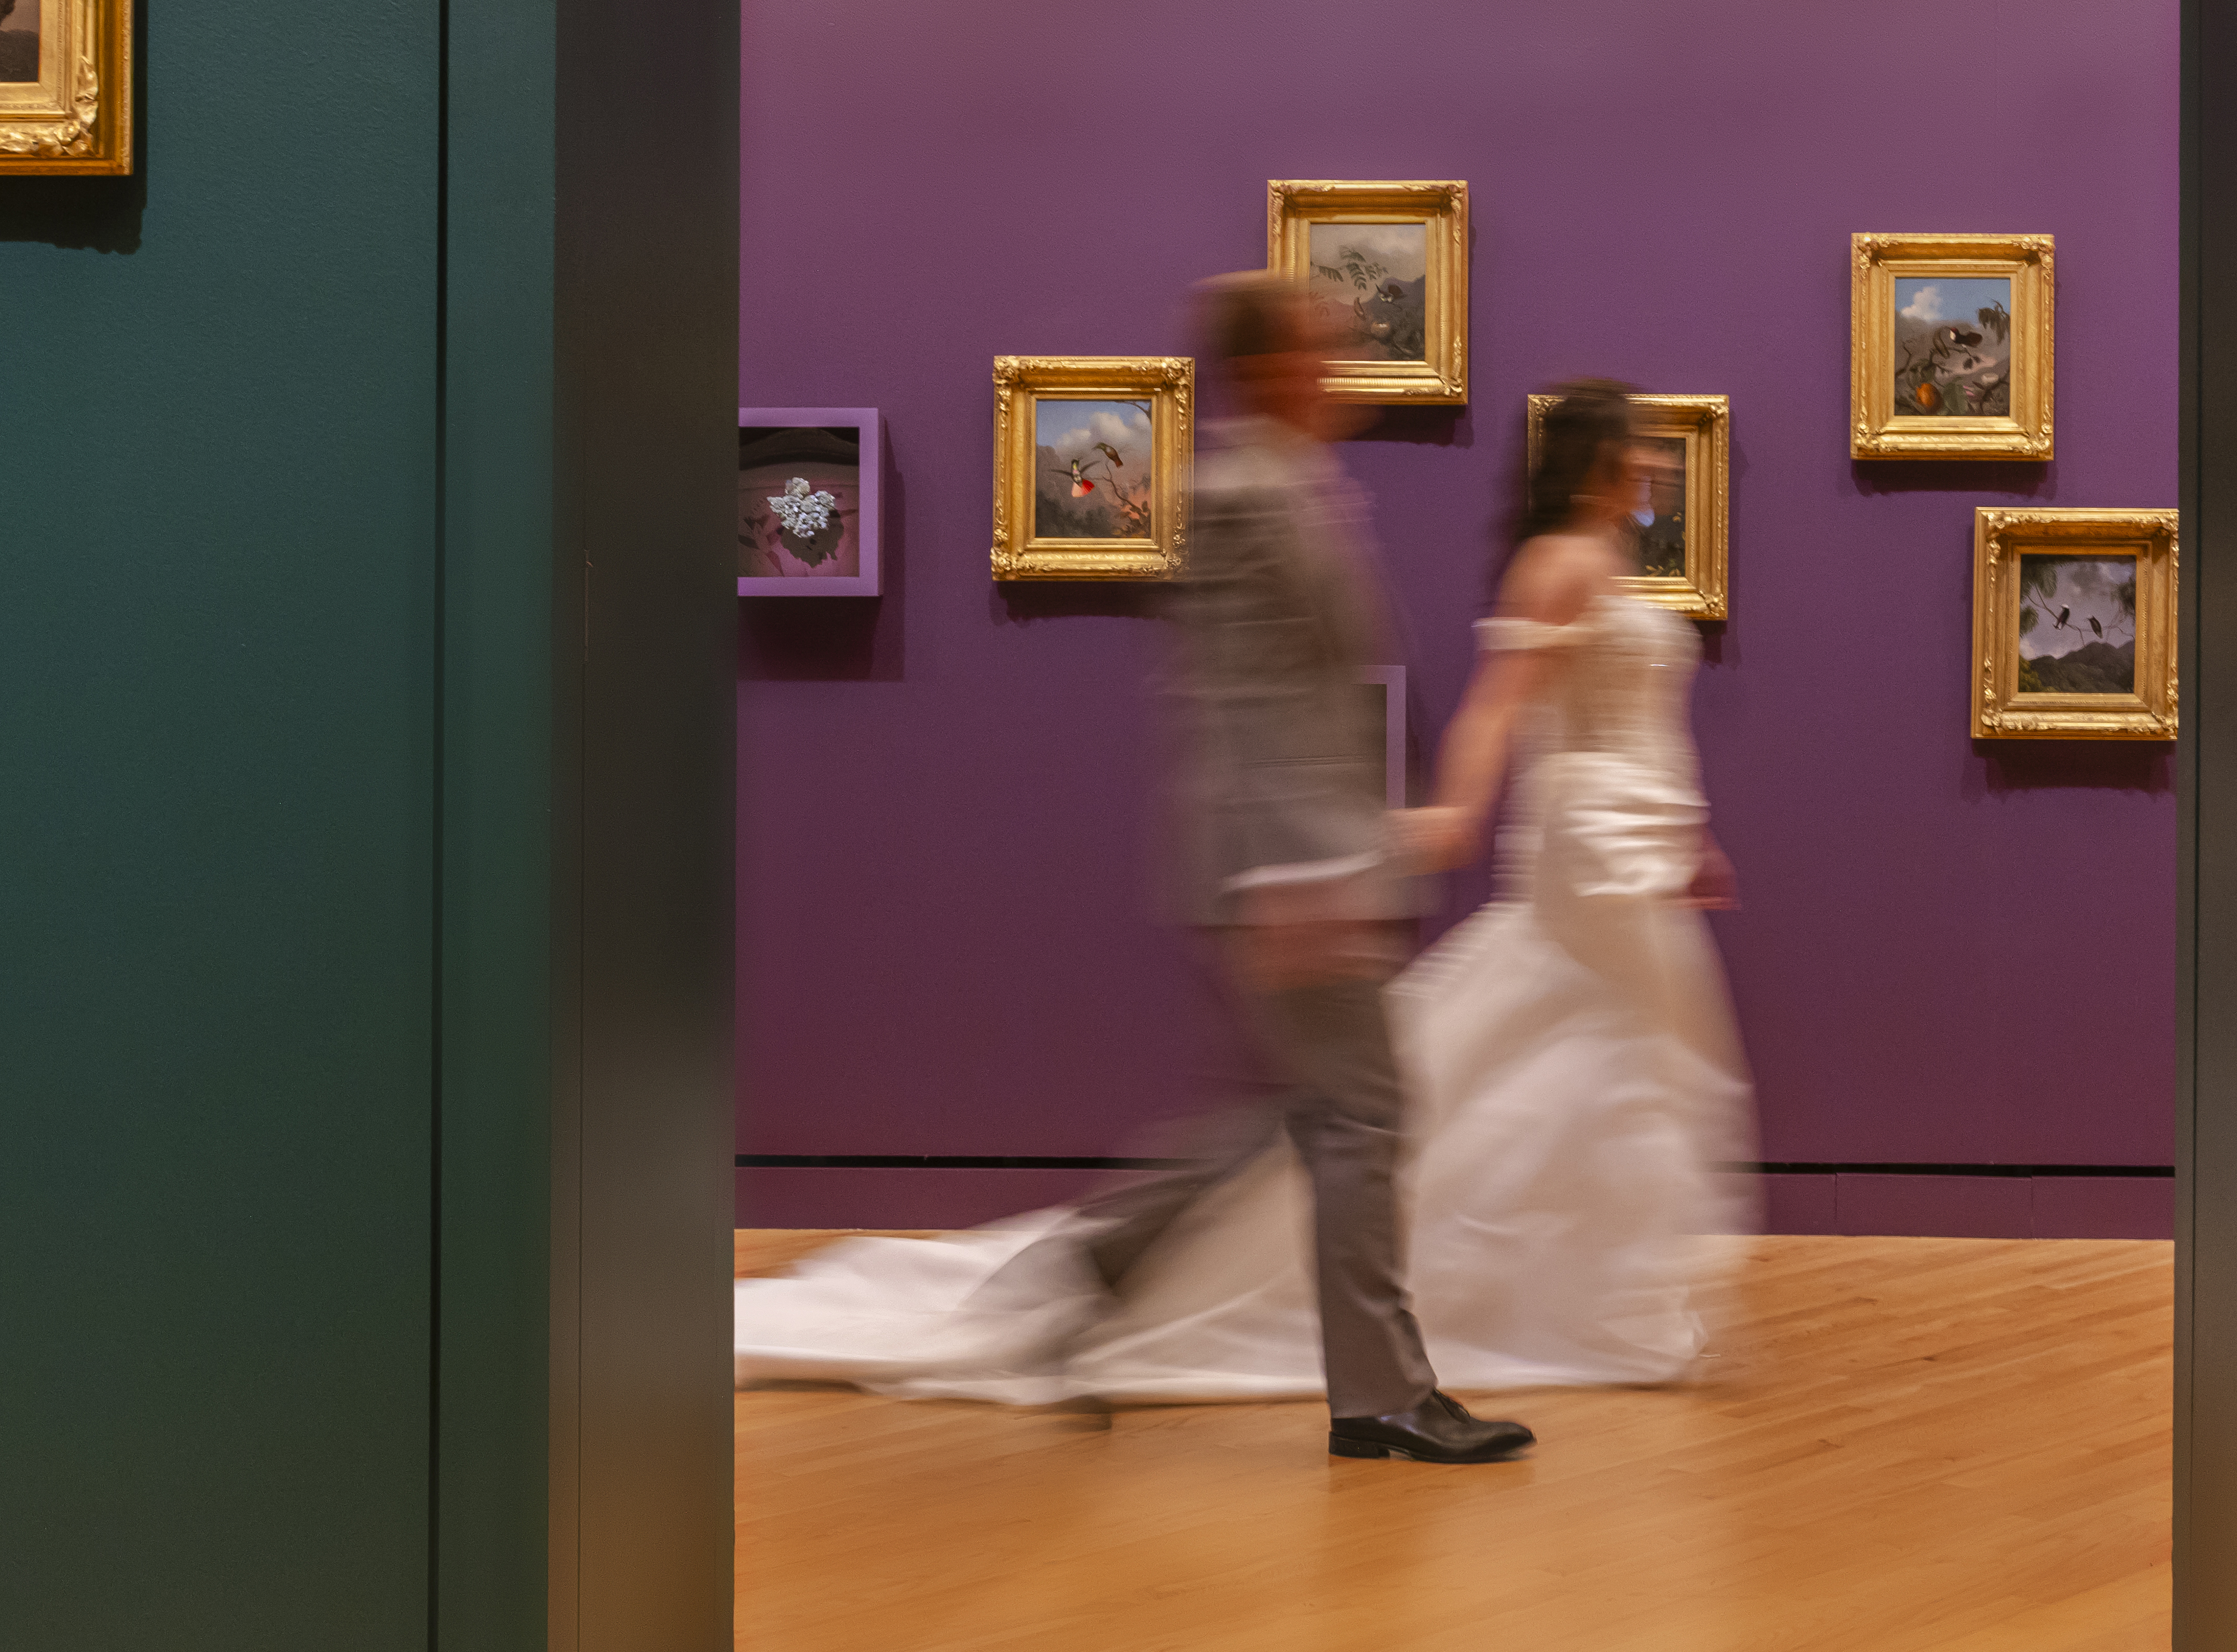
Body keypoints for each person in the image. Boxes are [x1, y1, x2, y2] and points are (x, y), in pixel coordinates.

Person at [734, 364, 1750, 1437]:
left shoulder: (1589, 557)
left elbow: (1636, 719)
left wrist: (1686, 833)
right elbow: (1495, 709)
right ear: (1598, 457)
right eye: (1638, 445)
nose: (1652, 463)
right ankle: (1241, 1315)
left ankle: (1558, 1298)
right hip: (1555, 852)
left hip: (1623, 845)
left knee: (1563, 1070)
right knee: (1385, 1096)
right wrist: (1446, 816)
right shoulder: (1534, 559)